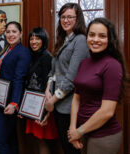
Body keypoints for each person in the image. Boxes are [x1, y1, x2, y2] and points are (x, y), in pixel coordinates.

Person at [68, 18, 124, 154]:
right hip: (83, 132)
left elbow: (107, 111)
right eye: (92, 34)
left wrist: (79, 131)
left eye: (102, 36)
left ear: (109, 39)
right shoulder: (84, 63)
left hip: (104, 136)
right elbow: (76, 98)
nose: (95, 39)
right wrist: (73, 129)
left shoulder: (112, 65)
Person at [44, 3, 89, 154]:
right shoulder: (63, 39)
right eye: (63, 17)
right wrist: (47, 89)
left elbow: (71, 78)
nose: (65, 20)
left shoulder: (81, 40)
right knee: (65, 146)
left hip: (70, 107)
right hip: (59, 105)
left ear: (78, 19)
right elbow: (53, 70)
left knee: (72, 149)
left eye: (70, 17)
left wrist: (52, 100)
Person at [0, 21, 31, 154]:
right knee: (10, 139)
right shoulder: (7, 49)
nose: (10, 34)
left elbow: (19, 79)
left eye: (14, 31)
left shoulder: (23, 52)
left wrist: (14, 103)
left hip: (9, 102)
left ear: (20, 34)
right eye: (8, 32)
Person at [24, 27, 58, 154]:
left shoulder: (46, 57)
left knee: (42, 140)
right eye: (31, 38)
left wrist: (45, 112)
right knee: (37, 140)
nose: (34, 41)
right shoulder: (33, 56)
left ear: (44, 40)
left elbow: (49, 85)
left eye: (37, 38)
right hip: (32, 105)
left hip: (42, 106)